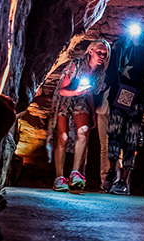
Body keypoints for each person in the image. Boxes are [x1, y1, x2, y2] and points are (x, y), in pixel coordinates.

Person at [47, 39, 111, 192]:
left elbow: (89, 94)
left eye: (105, 54)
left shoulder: (98, 73)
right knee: (63, 138)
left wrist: (92, 114)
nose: (102, 56)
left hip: (81, 100)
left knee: (83, 132)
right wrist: (76, 92)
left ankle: (75, 173)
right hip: (66, 98)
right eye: (99, 52)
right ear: (90, 51)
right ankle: (59, 178)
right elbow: (63, 90)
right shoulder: (76, 65)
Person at [103, 22, 144, 195]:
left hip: (136, 99)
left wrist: (138, 43)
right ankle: (111, 171)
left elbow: (143, 66)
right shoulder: (119, 49)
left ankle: (124, 179)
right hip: (118, 98)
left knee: (131, 138)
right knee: (114, 134)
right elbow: (111, 73)